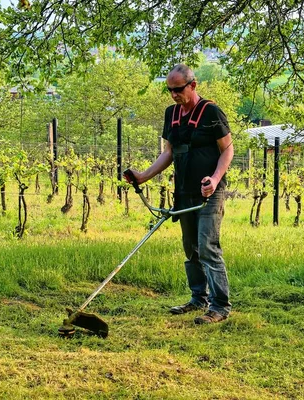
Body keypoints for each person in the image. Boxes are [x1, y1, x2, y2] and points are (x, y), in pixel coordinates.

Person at [125, 64, 234, 324]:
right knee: (191, 248)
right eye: (170, 90)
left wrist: (215, 179)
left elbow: (228, 150)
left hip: (209, 191)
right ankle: (198, 298)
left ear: (192, 85)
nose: (174, 95)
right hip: (184, 191)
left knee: (208, 246)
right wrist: (142, 176)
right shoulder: (171, 114)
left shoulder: (211, 112)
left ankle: (220, 306)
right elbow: (169, 152)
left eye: (178, 89)